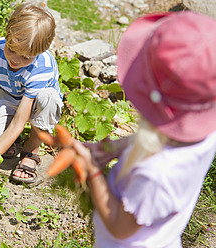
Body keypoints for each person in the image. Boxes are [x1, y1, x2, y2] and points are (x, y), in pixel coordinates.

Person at [71, 11, 216, 247]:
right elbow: (168, 135)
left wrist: (93, 170)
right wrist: (117, 146)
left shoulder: (156, 174)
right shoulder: (205, 131)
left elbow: (119, 227)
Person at [0, 3, 63, 184]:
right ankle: (6, 140)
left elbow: (20, 121)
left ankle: (31, 150)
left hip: (37, 104)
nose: (15, 60)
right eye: (11, 49)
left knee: (49, 100)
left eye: (26, 57)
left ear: (40, 52)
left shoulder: (42, 67)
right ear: (7, 34)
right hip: (8, 94)